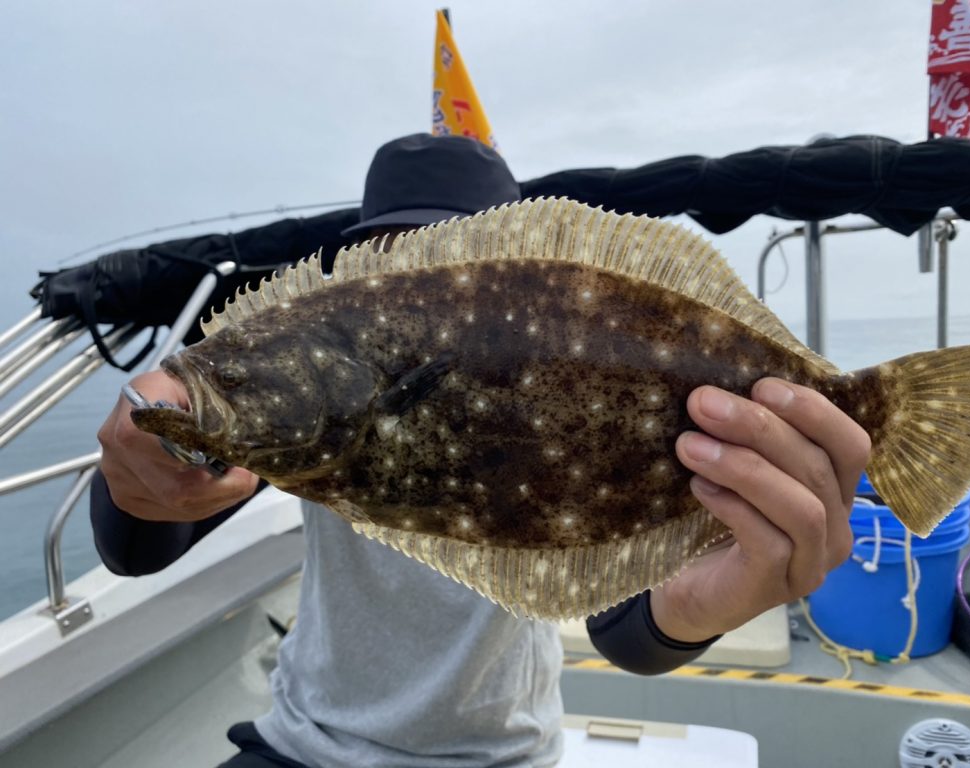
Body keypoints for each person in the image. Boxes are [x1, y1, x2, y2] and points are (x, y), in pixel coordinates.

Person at [92, 133, 870, 767]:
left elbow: (627, 631)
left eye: (445, 263)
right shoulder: (316, 406)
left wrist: (708, 603)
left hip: (499, 758)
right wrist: (145, 460)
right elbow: (140, 546)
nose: (414, 303)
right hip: (306, 744)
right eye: (390, 269)